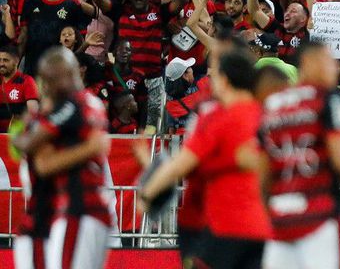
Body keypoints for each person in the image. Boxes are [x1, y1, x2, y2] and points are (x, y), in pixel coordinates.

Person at [137, 43, 272, 269]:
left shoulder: (217, 118)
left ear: (225, 80)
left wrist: (146, 194)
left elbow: (181, 165)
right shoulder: (263, 114)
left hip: (223, 229)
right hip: (259, 228)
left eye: (215, 74)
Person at [258, 39, 340, 269]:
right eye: (328, 61)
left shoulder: (272, 105)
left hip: (281, 219)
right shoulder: (326, 98)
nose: (333, 68)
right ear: (309, 62)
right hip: (320, 215)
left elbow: (263, 170)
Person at [11, 48, 113, 269]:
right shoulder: (87, 104)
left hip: (74, 209)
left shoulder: (71, 105)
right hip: (66, 211)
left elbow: (42, 162)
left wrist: (20, 137)